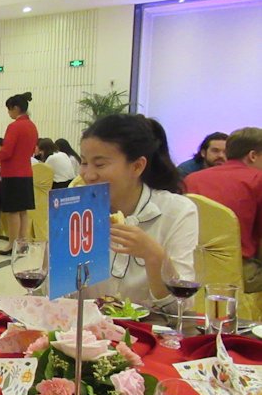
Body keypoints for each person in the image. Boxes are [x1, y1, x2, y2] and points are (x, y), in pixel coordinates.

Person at [80, 114, 198, 307]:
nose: (88, 175)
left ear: (137, 166)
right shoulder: (77, 212)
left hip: (151, 331)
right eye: (84, 162)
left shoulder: (176, 211)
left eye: (100, 164)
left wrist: (153, 256)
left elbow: (181, 306)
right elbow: (53, 298)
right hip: (85, 332)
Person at [184, 127, 262, 293]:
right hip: (241, 274)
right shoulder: (257, 180)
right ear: (253, 155)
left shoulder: (191, 179)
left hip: (191, 269)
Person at [0, 92, 39, 254]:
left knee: (12, 210)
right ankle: (22, 242)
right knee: (23, 210)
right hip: (26, 171)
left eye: (9, 109)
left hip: (12, 172)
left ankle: (12, 244)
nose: (9, 113)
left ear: (15, 108)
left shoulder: (14, 126)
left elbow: (7, 152)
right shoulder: (32, 126)